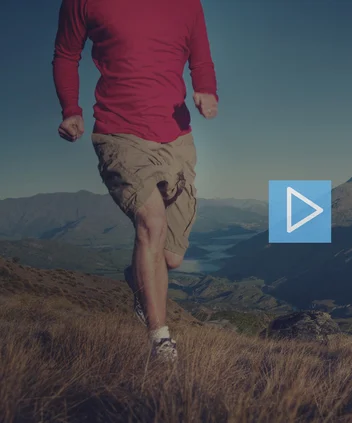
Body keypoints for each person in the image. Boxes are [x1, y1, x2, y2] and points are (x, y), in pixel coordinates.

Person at [52, 0, 218, 362]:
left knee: (170, 257)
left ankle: (138, 279)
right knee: (151, 223)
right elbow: (66, 54)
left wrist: (207, 89)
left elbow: (200, 57)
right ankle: (160, 341)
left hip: (176, 136)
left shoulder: (188, 4)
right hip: (119, 133)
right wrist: (71, 110)